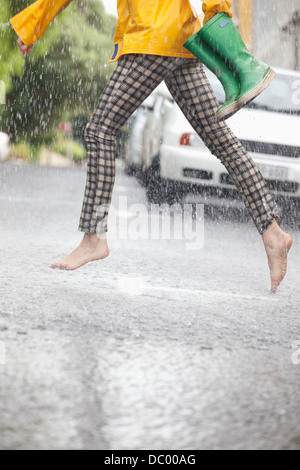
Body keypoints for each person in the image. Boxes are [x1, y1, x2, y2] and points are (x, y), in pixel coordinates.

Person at [11, 0, 293, 293]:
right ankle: (272, 232)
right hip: (183, 38)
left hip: (152, 36)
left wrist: (32, 26)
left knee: (99, 131)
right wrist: (216, 13)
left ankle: (94, 237)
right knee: (222, 142)